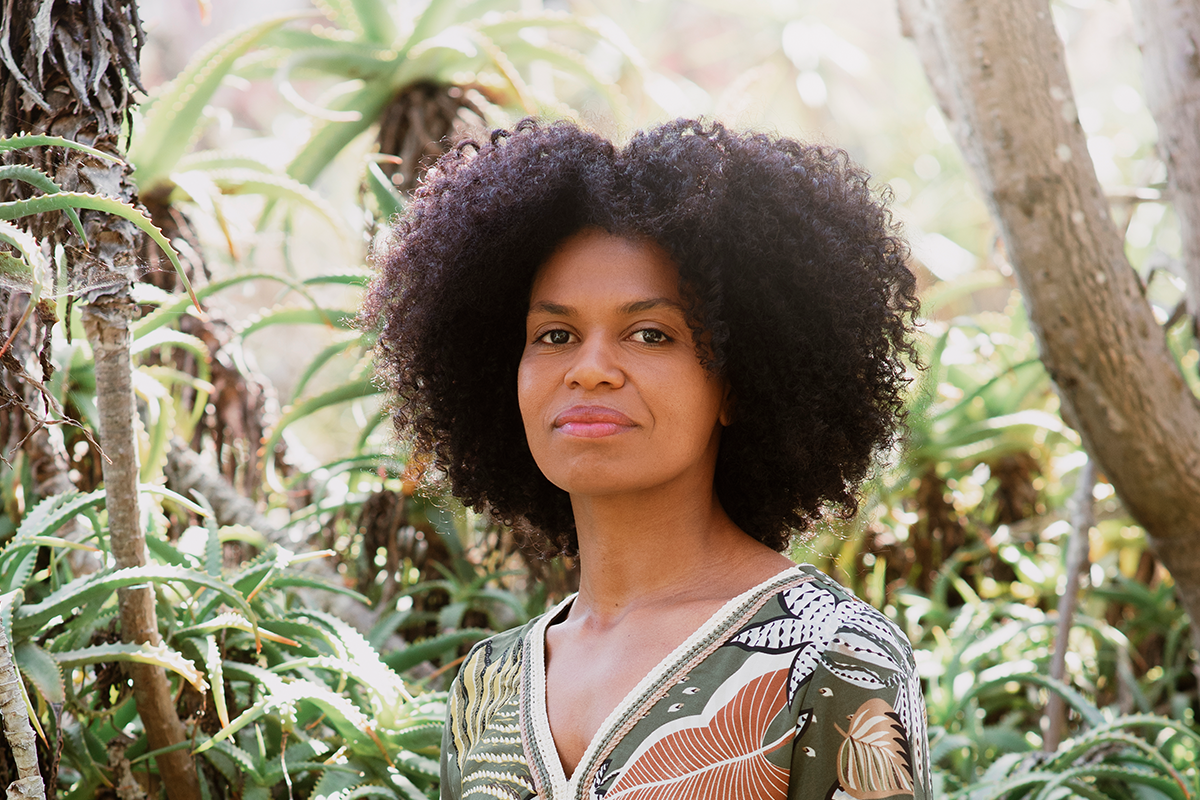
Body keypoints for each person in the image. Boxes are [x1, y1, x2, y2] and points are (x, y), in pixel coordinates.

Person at [363, 117, 930, 800]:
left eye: (650, 334)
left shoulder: (832, 656)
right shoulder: (489, 684)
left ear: (737, 382)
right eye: (555, 334)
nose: (589, 368)